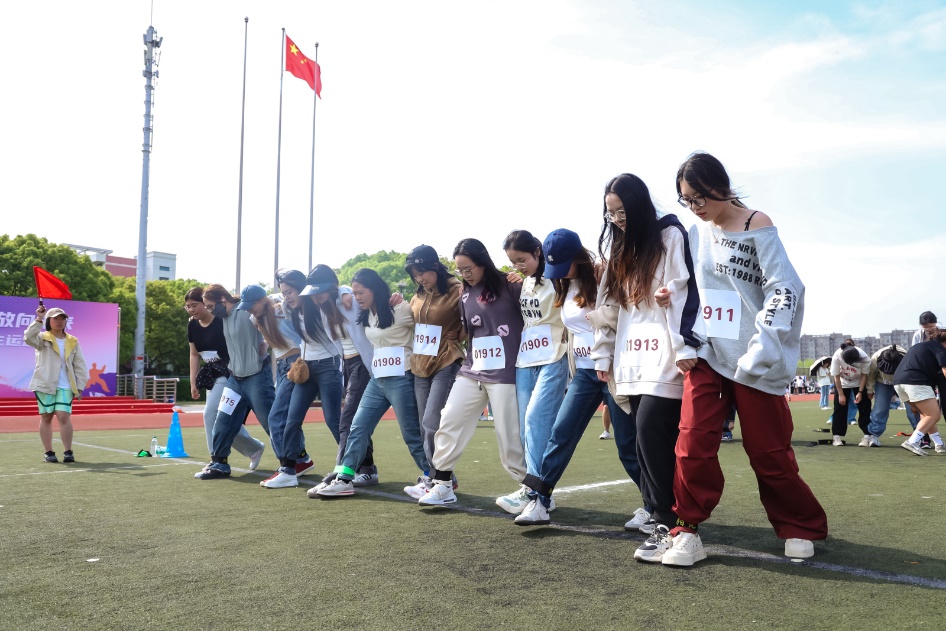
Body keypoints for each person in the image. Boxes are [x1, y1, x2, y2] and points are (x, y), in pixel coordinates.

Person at [655, 152, 828, 565]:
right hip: (708, 353)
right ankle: (686, 530)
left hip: (756, 360)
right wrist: (671, 299)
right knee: (692, 443)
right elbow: (690, 287)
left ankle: (799, 525)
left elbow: (784, 289)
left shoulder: (757, 224)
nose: (695, 207)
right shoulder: (696, 234)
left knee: (769, 451)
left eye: (699, 198)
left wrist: (764, 348)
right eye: (686, 200)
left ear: (721, 187)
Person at [418, 238, 526, 507]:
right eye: (460, 270)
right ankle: (442, 484)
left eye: (468, 268)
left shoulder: (511, 284)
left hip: (506, 373)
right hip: (472, 369)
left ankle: (533, 490)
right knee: (449, 419)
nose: (464, 274)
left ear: (483, 262)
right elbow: (470, 330)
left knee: (509, 435)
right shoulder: (464, 294)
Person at [315, 268, 428, 497]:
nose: (356, 297)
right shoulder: (366, 314)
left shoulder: (400, 309)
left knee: (411, 434)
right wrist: (346, 292)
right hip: (377, 380)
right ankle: (344, 479)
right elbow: (340, 294)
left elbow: (426, 327)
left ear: (374, 289)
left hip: (401, 378)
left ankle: (437, 477)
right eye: (354, 293)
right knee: (358, 428)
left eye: (360, 293)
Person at [490, 229, 570, 514]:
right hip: (526, 359)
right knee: (526, 426)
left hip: (554, 356)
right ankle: (538, 490)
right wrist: (519, 276)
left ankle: (534, 491)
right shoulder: (523, 282)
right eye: (513, 262)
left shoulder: (560, 277)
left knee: (537, 420)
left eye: (522, 260)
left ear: (538, 252)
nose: (518, 266)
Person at [402, 245, 466, 498]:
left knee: (432, 422)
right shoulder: (417, 294)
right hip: (420, 364)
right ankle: (438, 477)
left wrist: (459, 335)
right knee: (423, 425)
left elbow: (473, 317)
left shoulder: (457, 289)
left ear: (435, 267)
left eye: (422, 272)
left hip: (446, 361)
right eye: (415, 275)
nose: (419, 278)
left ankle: (438, 479)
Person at [194, 284, 275, 480]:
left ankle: (297, 459)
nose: (209, 310)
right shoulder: (223, 318)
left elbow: (269, 313)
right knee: (223, 420)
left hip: (256, 375)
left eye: (210, 306)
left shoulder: (246, 311)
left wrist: (266, 342)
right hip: (235, 379)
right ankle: (219, 464)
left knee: (270, 421)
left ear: (223, 300)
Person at [239, 282, 312, 489]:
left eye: (252, 305)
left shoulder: (282, 308)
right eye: (247, 306)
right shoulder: (255, 318)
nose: (250, 310)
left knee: (276, 418)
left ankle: (287, 469)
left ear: (263, 300)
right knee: (286, 418)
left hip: (296, 363)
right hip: (281, 366)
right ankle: (300, 461)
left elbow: (295, 299)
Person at [24, 305, 88, 463]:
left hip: (66, 385)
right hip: (45, 383)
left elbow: (80, 365)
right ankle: (49, 452)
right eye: (56, 318)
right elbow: (28, 337)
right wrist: (39, 318)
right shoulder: (42, 338)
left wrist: (80, 386)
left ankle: (68, 451)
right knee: (46, 417)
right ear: (49, 321)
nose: (59, 321)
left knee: (63, 415)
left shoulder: (72, 341)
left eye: (62, 318)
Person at [895, 330, 946, 455]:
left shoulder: (919, 346)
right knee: (934, 415)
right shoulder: (940, 348)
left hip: (898, 383)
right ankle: (912, 442)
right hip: (916, 382)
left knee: (926, 414)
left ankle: (939, 444)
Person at [863, 344, 907, 448]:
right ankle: (873, 435)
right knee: (880, 409)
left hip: (904, 382)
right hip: (882, 381)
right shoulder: (875, 358)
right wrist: (869, 389)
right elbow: (871, 375)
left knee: (912, 409)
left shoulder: (907, 358)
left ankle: (919, 435)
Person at [829, 341, 872, 447]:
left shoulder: (864, 358)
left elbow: (864, 375)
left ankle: (867, 436)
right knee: (839, 408)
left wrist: (860, 392)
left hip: (859, 382)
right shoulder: (837, 356)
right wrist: (841, 394)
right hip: (842, 382)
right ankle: (836, 436)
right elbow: (836, 377)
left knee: (864, 407)